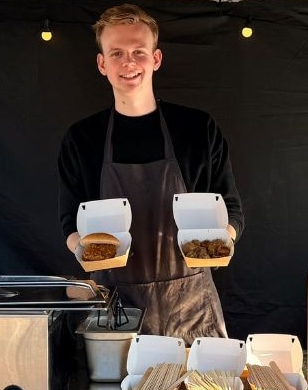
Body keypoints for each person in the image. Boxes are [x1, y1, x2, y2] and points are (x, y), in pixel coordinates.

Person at [57, 4, 243, 344]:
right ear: (102, 64)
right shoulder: (82, 139)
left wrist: (220, 242)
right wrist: (83, 249)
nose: (128, 63)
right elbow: (70, 223)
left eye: (138, 52)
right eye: (116, 53)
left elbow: (232, 209)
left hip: (192, 310)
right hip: (117, 309)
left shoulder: (198, 129)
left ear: (156, 59)